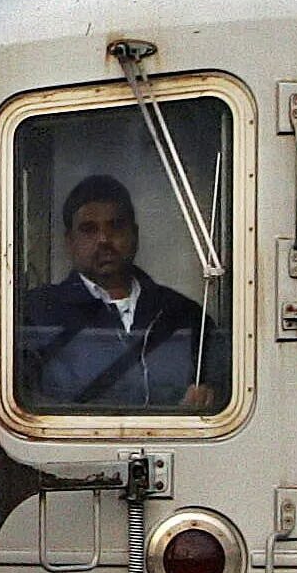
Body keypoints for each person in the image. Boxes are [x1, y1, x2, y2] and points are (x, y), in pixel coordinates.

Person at [17, 175, 226, 410]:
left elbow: (224, 390)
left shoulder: (184, 315)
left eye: (115, 226)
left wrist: (209, 398)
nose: (104, 239)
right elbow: (24, 404)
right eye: (89, 229)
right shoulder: (36, 313)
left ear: (134, 234)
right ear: (70, 241)